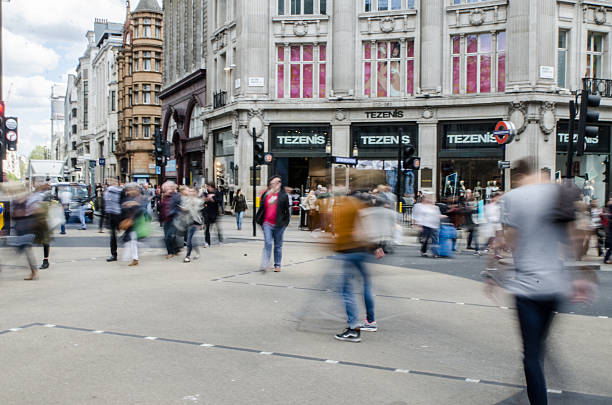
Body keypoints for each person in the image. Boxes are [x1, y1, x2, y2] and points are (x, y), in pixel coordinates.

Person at [484, 158, 596, 405]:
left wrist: (492, 270)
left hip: (527, 286)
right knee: (541, 344)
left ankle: (538, 397)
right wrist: (581, 274)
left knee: (531, 354)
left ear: (517, 176)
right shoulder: (560, 193)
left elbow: (509, 241)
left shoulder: (512, 198)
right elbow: (577, 236)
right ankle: (539, 383)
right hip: (556, 284)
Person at [332, 191, 386, 343]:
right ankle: (370, 320)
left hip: (352, 251)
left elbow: (357, 231)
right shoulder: (364, 208)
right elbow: (367, 231)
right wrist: (375, 247)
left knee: (346, 289)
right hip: (361, 252)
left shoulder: (352, 207)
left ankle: (353, 328)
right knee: (365, 285)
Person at [256, 175, 290, 272]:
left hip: (279, 224)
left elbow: (287, 211)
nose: (273, 185)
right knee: (268, 243)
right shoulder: (266, 195)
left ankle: (277, 264)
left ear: (279, 184)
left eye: (275, 183)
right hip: (267, 223)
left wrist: (285, 223)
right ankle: (265, 263)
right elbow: (261, 208)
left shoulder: (283, 196)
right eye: (271, 184)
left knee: (278, 245)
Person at [120, 184, 145, 266]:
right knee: (131, 240)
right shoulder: (127, 198)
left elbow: (142, 210)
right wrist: (126, 205)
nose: (130, 191)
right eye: (129, 189)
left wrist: (135, 205)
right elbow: (123, 208)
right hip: (129, 222)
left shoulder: (140, 198)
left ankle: (134, 258)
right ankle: (134, 258)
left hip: (135, 222)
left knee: (132, 240)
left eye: (131, 189)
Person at [159, 181, 180, 258]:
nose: (164, 190)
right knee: (167, 237)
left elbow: (179, 207)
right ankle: (172, 251)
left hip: (174, 218)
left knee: (169, 236)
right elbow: (162, 208)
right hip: (166, 219)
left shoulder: (176, 196)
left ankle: (171, 252)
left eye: (165, 188)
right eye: (164, 189)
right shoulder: (164, 197)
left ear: (171, 188)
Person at [104, 179, 123, 262]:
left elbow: (106, 204)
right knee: (127, 232)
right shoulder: (121, 191)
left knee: (113, 235)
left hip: (111, 214)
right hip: (120, 214)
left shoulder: (107, 192)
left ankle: (113, 254)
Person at [203, 182, 224, 246]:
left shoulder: (217, 192)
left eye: (208, 187)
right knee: (207, 228)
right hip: (207, 212)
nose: (207, 188)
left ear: (211, 187)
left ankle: (220, 240)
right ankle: (207, 242)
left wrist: (213, 199)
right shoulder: (205, 193)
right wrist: (206, 199)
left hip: (215, 212)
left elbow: (220, 200)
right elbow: (203, 200)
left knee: (217, 228)